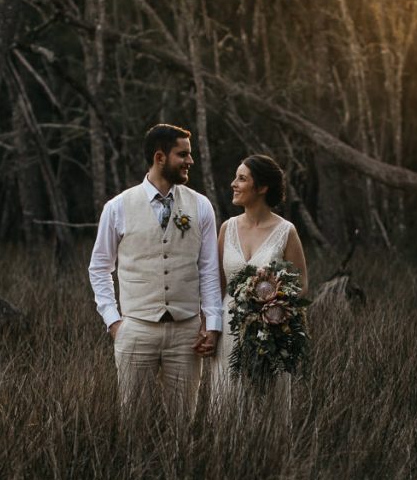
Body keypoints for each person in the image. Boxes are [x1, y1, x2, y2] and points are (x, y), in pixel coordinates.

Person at [88, 124, 223, 422]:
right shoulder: (117, 208)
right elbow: (99, 267)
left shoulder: (200, 206)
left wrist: (212, 324)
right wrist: (114, 321)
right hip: (136, 329)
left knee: (182, 423)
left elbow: (209, 270)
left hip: (187, 331)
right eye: (183, 154)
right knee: (134, 422)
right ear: (160, 157)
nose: (190, 161)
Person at [210, 154, 308, 416]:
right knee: (227, 407)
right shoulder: (227, 228)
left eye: (242, 178)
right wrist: (210, 329)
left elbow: (301, 285)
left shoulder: (286, 231)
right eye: (235, 177)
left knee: (266, 409)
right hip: (229, 333)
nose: (233, 184)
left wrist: (273, 308)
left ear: (262, 187)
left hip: (270, 334)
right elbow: (217, 285)